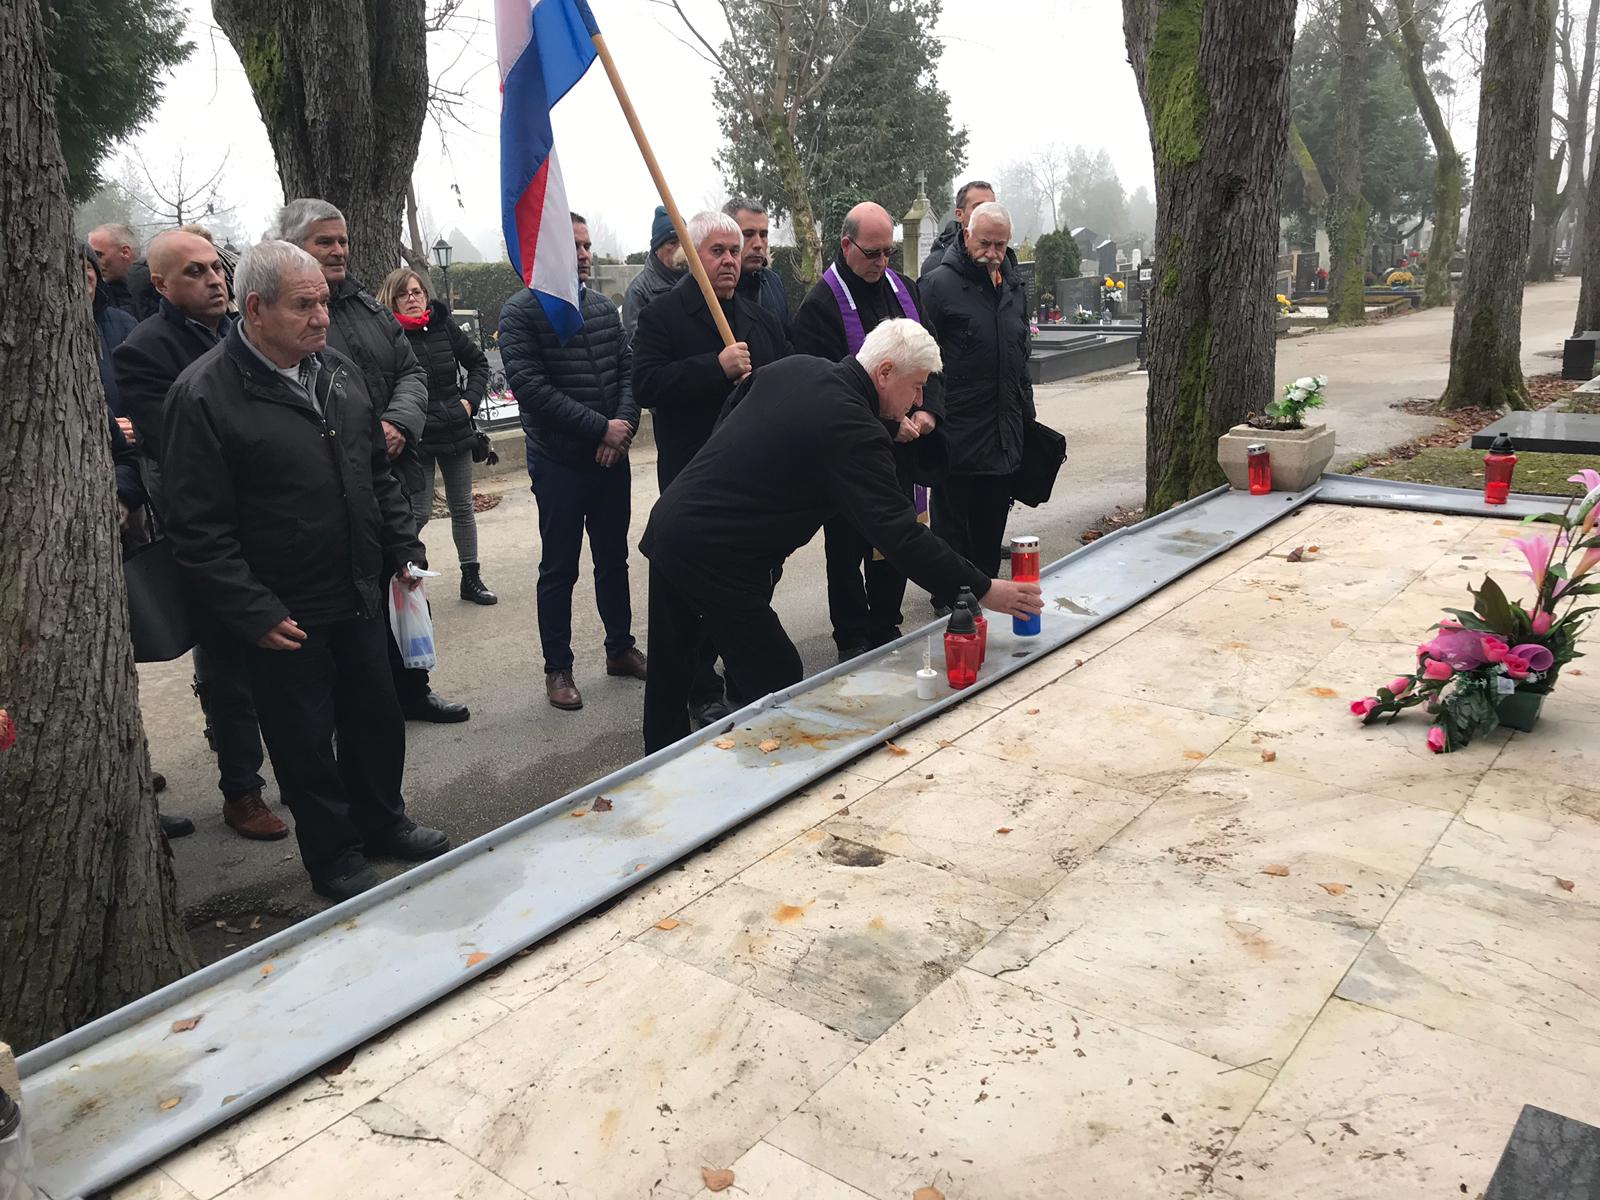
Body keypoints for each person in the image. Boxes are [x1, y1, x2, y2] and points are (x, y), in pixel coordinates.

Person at [161, 240, 451, 902]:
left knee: (376, 716)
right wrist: (254, 610)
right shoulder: (203, 395)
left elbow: (375, 473)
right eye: (304, 305)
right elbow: (197, 529)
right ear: (255, 308)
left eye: (323, 302)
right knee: (305, 741)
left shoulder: (336, 372)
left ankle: (382, 822)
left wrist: (403, 547)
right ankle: (334, 853)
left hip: (359, 586)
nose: (321, 317)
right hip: (284, 608)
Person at [640, 319, 1042, 752]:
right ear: (885, 373)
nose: (919, 400)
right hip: (717, 556)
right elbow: (901, 536)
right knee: (776, 674)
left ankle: (655, 770)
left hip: (674, 523)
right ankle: (773, 775)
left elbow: (735, 414)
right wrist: (982, 588)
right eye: (916, 386)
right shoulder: (853, 429)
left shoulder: (799, 368)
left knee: (671, 670)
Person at [112, 229, 289, 841]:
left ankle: (299, 769)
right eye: (195, 272)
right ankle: (242, 791)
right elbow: (178, 443)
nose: (215, 279)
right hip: (209, 530)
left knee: (288, 654)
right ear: (161, 284)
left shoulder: (246, 331)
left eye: (217, 268)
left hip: (272, 518)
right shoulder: (144, 350)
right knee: (228, 662)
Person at [270, 198, 469, 724]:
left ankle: (413, 688)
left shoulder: (370, 309)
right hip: (331, 489)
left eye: (342, 241)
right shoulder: (287, 317)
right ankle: (351, 710)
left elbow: (412, 373)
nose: (339, 251)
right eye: (324, 242)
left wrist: (398, 424)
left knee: (403, 578)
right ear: (292, 246)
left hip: (389, 475)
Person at [633, 209, 789, 726]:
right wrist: (714, 368)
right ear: (692, 256)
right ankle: (700, 686)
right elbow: (647, 384)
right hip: (692, 474)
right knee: (692, 588)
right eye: (717, 251)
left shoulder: (760, 320)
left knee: (751, 580)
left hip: (754, 479)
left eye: (734, 251)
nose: (729, 260)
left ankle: (743, 670)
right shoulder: (662, 316)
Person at [500, 212, 646, 711]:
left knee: (613, 560)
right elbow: (532, 389)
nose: (584, 254)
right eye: (574, 245)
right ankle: (558, 669)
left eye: (587, 245)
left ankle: (620, 648)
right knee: (559, 568)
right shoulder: (521, 312)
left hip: (610, 461)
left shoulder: (602, 308)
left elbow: (627, 370)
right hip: (559, 462)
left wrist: (622, 428)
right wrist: (599, 428)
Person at [795, 201, 945, 660]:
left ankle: (885, 621)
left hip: (904, 447)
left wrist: (928, 411)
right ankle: (852, 635)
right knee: (846, 548)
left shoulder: (905, 290)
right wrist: (884, 424)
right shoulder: (820, 306)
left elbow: (931, 358)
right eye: (873, 253)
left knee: (896, 535)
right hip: (849, 452)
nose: (883, 263)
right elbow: (823, 390)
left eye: (888, 252)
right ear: (846, 245)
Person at [920, 201, 1034, 605]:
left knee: (990, 525)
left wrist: (1027, 420)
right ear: (966, 235)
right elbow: (923, 359)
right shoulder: (937, 285)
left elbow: (1020, 356)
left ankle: (985, 595)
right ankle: (949, 599)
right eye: (985, 243)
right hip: (956, 430)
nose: (992, 253)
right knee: (952, 527)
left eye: (1000, 245)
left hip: (1002, 430)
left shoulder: (1013, 286)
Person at [375, 267, 496, 606]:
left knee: (462, 508)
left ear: (426, 295)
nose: (412, 299)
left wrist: (469, 402)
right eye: (404, 294)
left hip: (455, 429)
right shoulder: (388, 336)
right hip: (417, 436)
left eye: (417, 292)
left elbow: (478, 363)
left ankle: (471, 578)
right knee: (419, 511)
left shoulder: (443, 326)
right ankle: (398, 571)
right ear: (392, 300)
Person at [724, 196, 790, 334]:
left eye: (763, 234)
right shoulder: (710, 288)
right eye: (748, 234)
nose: (758, 244)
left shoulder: (773, 282)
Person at [622, 205, 685, 338]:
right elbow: (636, 342)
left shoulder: (699, 281)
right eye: (673, 242)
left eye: (684, 242)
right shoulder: (639, 292)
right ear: (657, 248)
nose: (681, 248)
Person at [920, 180, 996, 278]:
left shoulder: (1004, 258)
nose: (987, 213)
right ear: (960, 215)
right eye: (978, 207)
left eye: (992, 207)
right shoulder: (936, 263)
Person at [88, 223, 157, 319]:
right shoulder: (98, 295)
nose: (94, 262)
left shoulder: (159, 291)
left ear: (125, 252)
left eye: (98, 255)